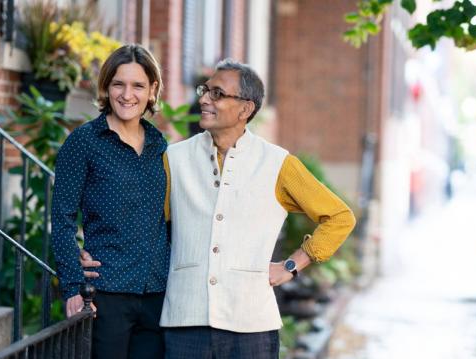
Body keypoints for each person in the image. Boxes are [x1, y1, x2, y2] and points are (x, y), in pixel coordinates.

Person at [83, 59, 355, 358]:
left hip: (251, 324)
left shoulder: (277, 164)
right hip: (185, 323)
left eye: (217, 93)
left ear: (245, 109)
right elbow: (141, 219)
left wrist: (292, 265)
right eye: (205, 90)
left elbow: (339, 217)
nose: (203, 99)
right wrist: (93, 251)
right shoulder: (174, 157)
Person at [51, 44, 168, 359]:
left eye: (138, 85)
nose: (127, 94)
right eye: (119, 83)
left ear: (152, 90)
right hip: (107, 292)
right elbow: (61, 218)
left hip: (157, 292)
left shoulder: (160, 144)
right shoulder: (84, 142)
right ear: (106, 87)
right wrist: (73, 287)